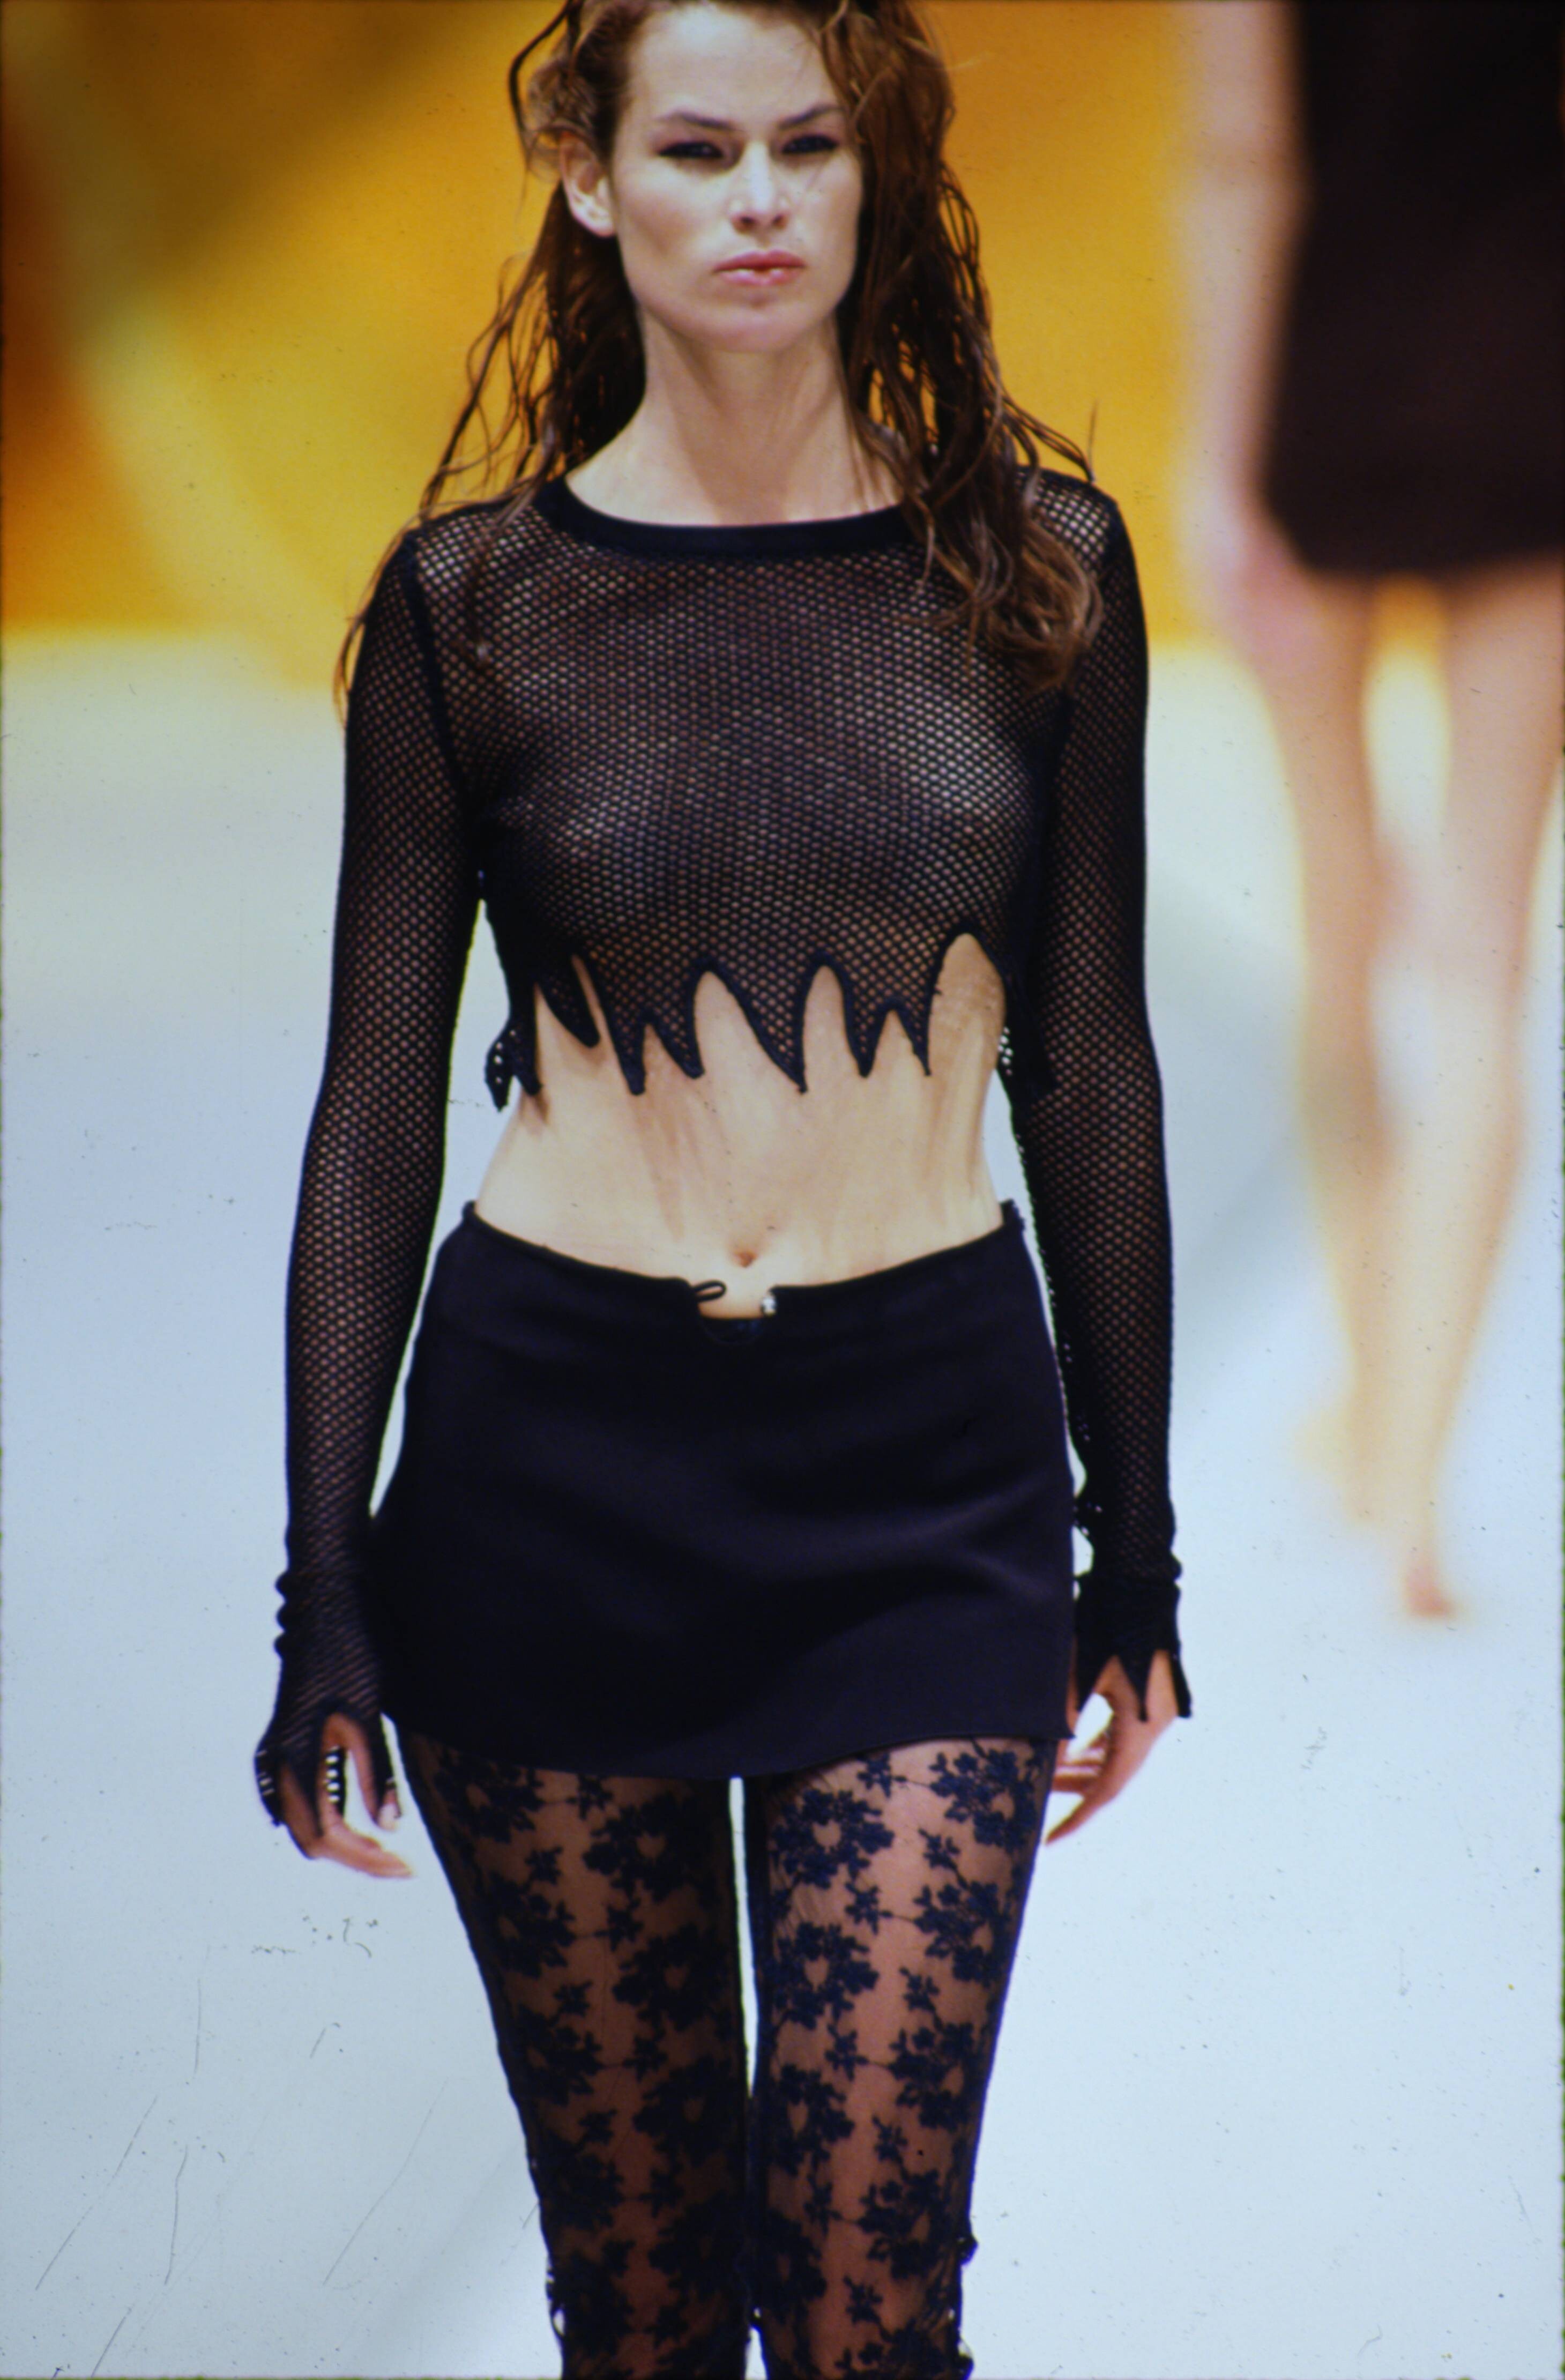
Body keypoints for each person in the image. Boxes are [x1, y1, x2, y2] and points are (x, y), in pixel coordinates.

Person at [254, 2, 1189, 2372]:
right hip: (551, 1476)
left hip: (925, 1485)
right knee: (647, 2312)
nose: (760, 200)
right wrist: (324, 1591)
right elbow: (375, 1106)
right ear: (589, 175)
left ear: (876, 178)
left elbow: (1090, 1067)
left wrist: (1138, 1543)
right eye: (698, 149)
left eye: (809, 147)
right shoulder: (474, 607)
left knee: (871, 2305)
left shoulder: (1040, 576)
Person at [1179, 0, 1564, 1619]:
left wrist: (1214, 461)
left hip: (1325, 389)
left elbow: (1240, 157)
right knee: (1480, 956)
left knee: (1340, 907)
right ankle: (1411, 1483)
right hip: (1536, 388)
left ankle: (1364, 1400)